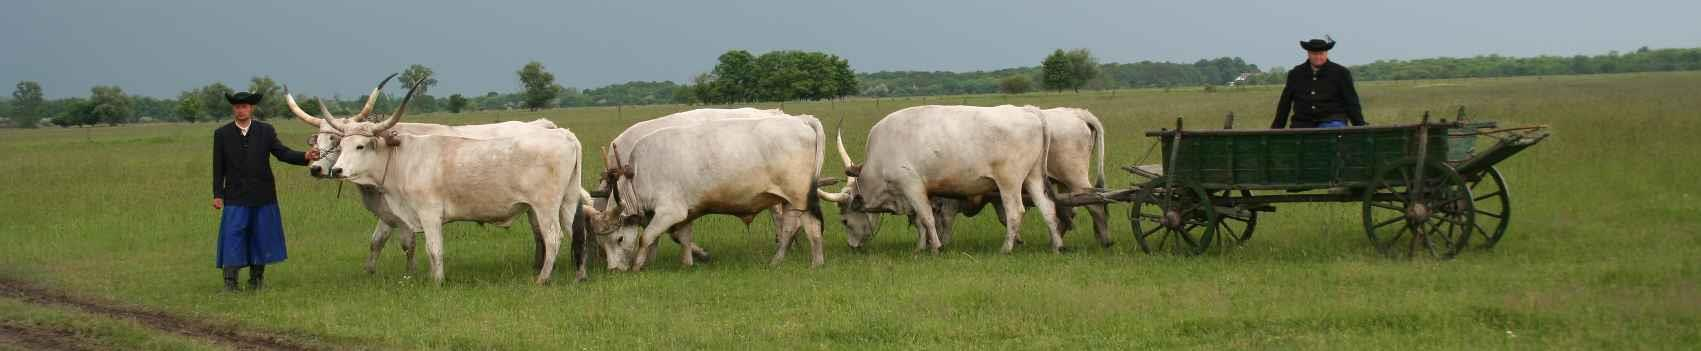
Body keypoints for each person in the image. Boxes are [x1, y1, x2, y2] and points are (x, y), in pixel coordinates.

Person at [212, 91, 319, 292]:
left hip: (263, 195)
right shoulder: (222, 134)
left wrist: (305, 156)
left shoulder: (266, 131)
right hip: (235, 197)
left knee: (260, 236)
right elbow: (218, 168)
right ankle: (230, 284)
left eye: (244, 107)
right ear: (233, 109)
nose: (240, 110)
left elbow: (282, 153)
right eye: (237, 107)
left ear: (251, 109)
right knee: (233, 236)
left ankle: (256, 281)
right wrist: (218, 194)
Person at [1272, 36, 1367, 129]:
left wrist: (1360, 125)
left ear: (1326, 53)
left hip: (1332, 121)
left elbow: (1351, 102)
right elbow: (1285, 103)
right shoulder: (1296, 74)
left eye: (1321, 53)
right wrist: (1276, 128)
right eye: (1314, 53)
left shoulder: (1341, 73)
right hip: (1302, 123)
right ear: (1308, 53)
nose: (1318, 57)